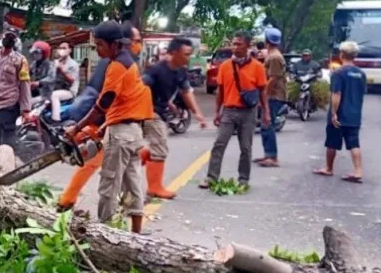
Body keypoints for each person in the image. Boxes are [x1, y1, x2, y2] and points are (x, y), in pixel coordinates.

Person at [65, 20, 153, 234]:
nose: (98, 50)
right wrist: (104, 125)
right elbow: (121, 103)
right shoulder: (129, 62)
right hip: (132, 132)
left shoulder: (116, 67)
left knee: (109, 185)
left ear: (114, 44)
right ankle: (136, 234)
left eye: (100, 45)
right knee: (133, 183)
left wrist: (77, 128)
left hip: (121, 135)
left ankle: (105, 234)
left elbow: (104, 102)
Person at [199, 31, 270, 189]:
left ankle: (243, 179)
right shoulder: (225, 66)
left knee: (246, 147)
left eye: (239, 44)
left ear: (247, 46)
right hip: (229, 112)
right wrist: (217, 112)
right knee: (219, 144)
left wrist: (266, 113)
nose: (234, 47)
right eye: (233, 43)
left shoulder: (257, 67)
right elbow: (220, 91)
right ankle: (212, 178)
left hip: (248, 112)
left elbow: (262, 91)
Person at [142, 37, 208, 199]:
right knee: (160, 148)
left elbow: (186, 92)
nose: (188, 58)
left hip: (161, 111)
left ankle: (139, 155)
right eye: (186, 54)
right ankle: (154, 187)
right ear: (174, 52)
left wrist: (197, 113)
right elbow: (140, 89)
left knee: (156, 147)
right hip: (149, 112)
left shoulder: (180, 71)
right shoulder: (156, 70)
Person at [313, 41, 366, 183]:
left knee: (332, 142)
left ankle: (328, 168)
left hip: (340, 114)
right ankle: (358, 171)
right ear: (354, 56)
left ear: (341, 54)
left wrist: (334, 113)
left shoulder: (338, 73)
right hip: (355, 114)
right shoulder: (361, 74)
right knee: (354, 143)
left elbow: (337, 94)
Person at [254, 28, 286, 168]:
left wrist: (264, 96)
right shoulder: (272, 55)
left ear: (267, 40)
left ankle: (272, 156)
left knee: (268, 124)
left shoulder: (274, 57)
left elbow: (272, 79)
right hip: (272, 94)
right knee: (265, 125)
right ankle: (268, 154)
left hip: (274, 95)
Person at [51, 42, 80, 122]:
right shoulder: (57, 62)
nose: (61, 50)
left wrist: (61, 70)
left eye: (64, 48)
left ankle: (56, 120)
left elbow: (71, 81)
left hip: (69, 91)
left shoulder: (73, 64)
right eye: (60, 48)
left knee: (54, 95)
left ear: (69, 50)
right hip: (57, 88)